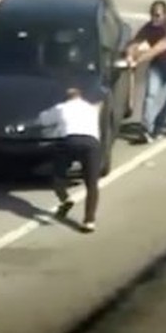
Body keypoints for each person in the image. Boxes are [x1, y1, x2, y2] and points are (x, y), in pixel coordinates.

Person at [37, 87, 103, 233]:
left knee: (58, 175)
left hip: (70, 142)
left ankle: (65, 198)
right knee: (92, 184)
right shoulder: (91, 108)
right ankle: (89, 221)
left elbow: (42, 120)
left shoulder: (61, 107)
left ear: (65, 98)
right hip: (91, 144)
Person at [125, 0, 166, 144]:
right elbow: (135, 43)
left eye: (158, 15)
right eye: (153, 15)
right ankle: (146, 129)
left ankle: (158, 125)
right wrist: (130, 54)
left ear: (165, 15)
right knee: (150, 96)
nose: (155, 18)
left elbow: (158, 48)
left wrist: (138, 60)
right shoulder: (148, 28)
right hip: (158, 66)